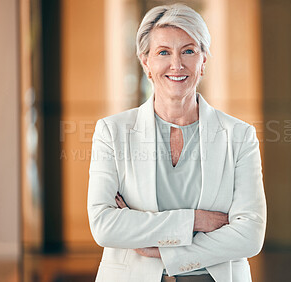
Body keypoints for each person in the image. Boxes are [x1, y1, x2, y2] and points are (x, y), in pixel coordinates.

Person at [87, 3, 266, 282]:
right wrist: (195, 221)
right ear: (145, 62)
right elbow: (104, 225)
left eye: (189, 51)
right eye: (163, 52)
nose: (177, 64)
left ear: (203, 60)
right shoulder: (111, 132)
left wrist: (162, 250)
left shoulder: (239, 135)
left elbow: (250, 234)